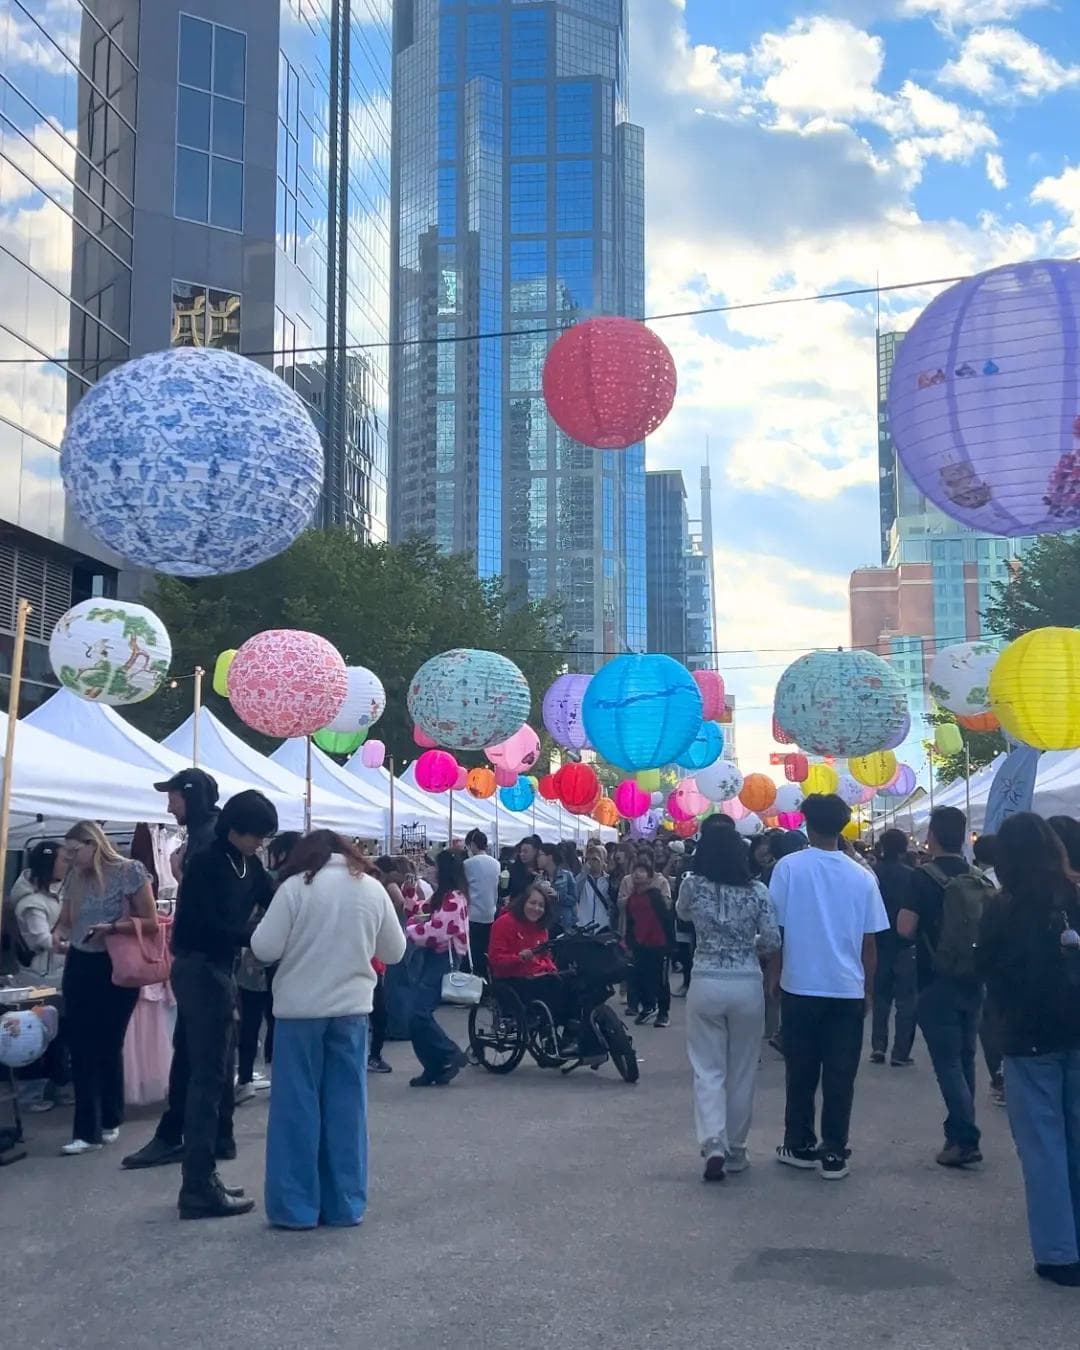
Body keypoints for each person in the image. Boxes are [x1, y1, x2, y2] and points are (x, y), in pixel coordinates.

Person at [250, 830, 406, 1229]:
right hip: (351, 1012)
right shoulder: (371, 888)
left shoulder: (294, 888)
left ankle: (295, 1208)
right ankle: (345, 1204)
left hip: (299, 1013)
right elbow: (394, 951)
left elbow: (264, 948)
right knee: (346, 1109)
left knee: (296, 1110)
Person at [977, 812, 1080, 1286]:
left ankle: (1059, 1253)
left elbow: (986, 970)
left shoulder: (1003, 907)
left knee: (1042, 1147)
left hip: (1026, 1037)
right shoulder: (1075, 896)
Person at [169, 790, 278, 1219]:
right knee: (208, 1077)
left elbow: (274, 900)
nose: (260, 843)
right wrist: (255, 937)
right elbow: (204, 926)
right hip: (199, 967)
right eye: (256, 835)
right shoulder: (207, 863)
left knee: (217, 1075)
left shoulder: (248, 864)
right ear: (235, 829)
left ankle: (203, 1176)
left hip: (219, 970)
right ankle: (197, 1184)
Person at [122, 770, 237, 1172]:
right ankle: (216, 1137)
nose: (169, 806)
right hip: (209, 961)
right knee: (210, 1055)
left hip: (201, 961)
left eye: (173, 797)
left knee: (195, 1057)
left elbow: (213, 904)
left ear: (191, 796)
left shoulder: (207, 840)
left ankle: (180, 1139)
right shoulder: (211, 835)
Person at [769, 794, 887, 1180]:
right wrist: (868, 989)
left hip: (800, 983)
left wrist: (775, 974)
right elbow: (870, 943)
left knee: (800, 1070)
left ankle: (799, 1142)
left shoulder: (788, 868)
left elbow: (776, 929)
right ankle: (834, 1150)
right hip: (846, 987)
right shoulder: (862, 877)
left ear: (807, 824)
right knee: (841, 1074)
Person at [677, 827, 781, 1181]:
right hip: (746, 983)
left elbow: (683, 915)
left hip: (705, 980)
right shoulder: (758, 891)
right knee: (742, 1070)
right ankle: (736, 1148)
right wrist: (746, 943)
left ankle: (713, 1141)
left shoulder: (692, 885)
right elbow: (772, 940)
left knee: (707, 1068)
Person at [53, 823, 158, 1156]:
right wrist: (58, 934)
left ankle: (110, 1116)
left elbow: (152, 922)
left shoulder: (129, 871)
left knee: (109, 1042)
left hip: (115, 962)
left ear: (93, 844)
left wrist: (112, 927)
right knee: (82, 1045)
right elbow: (66, 919)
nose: (70, 858)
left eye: (75, 851)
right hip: (80, 962)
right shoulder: (75, 877)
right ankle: (87, 1130)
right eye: (67, 853)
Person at [898, 805, 993, 1169]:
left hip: (935, 980)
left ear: (932, 835)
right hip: (973, 979)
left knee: (948, 1063)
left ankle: (965, 1137)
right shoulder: (978, 877)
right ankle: (958, 1135)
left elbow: (906, 928)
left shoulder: (922, 878)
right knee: (966, 1058)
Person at [9, 841, 69, 1111]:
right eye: (62, 860)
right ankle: (32, 1094)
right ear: (49, 863)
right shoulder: (32, 903)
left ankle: (56, 1086)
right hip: (39, 981)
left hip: (54, 977)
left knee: (57, 1036)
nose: (67, 865)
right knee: (34, 1037)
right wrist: (76, 944)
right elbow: (41, 939)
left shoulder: (54, 894)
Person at [404, 848, 469, 1087]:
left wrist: (411, 931)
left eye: (434, 866)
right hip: (434, 957)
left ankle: (448, 1053)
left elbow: (438, 932)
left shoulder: (454, 899)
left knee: (418, 1012)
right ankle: (434, 1065)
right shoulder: (444, 896)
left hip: (443, 958)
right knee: (416, 1015)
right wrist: (410, 892)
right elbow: (418, 911)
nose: (430, 869)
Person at [870, 828, 917, 1068]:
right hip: (906, 943)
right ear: (902, 850)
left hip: (879, 942)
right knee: (906, 1002)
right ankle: (900, 1052)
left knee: (881, 998)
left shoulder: (872, 874)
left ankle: (878, 1046)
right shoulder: (912, 876)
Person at [972, 833, 1005, 1105]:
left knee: (991, 1022)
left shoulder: (982, 883)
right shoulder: (1017, 880)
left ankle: (1000, 1077)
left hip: (994, 967)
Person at [625, 860, 675, 1029]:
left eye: (642, 871)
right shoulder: (631, 899)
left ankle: (663, 1013)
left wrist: (670, 945)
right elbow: (630, 923)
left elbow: (667, 920)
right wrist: (629, 943)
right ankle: (648, 1007)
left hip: (658, 944)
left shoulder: (655, 896)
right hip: (639, 945)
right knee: (641, 978)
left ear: (650, 877)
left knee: (660, 980)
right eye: (635, 871)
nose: (637, 874)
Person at [463, 830, 500, 980]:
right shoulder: (496, 863)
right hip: (490, 913)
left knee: (471, 954)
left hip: (472, 914)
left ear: (472, 844)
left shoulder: (468, 864)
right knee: (484, 952)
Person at [538, 841, 577, 935]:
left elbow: (574, 899)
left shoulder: (566, 876)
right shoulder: (539, 878)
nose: (537, 858)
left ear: (549, 857)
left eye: (540, 855)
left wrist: (558, 895)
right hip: (545, 924)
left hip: (563, 925)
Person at [576, 847, 613, 929]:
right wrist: (583, 874)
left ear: (602, 861)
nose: (590, 863)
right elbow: (574, 893)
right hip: (584, 925)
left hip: (603, 926)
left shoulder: (609, 880)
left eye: (594, 859)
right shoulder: (582, 879)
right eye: (588, 859)